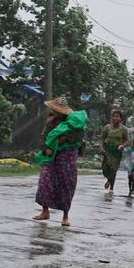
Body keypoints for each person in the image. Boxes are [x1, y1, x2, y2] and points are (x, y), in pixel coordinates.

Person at [33, 97, 88, 227]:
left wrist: (61, 140)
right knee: (45, 181)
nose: (53, 111)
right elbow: (44, 137)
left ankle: (65, 216)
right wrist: (46, 148)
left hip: (67, 157)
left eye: (55, 110)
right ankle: (45, 211)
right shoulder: (51, 121)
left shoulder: (74, 123)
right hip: (51, 155)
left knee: (66, 183)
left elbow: (76, 139)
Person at [101, 110, 129, 193]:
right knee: (105, 169)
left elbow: (127, 140)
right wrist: (101, 147)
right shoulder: (107, 127)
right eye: (114, 116)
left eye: (117, 116)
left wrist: (122, 145)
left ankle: (111, 188)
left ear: (121, 118)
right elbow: (102, 138)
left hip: (117, 151)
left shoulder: (124, 129)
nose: (115, 118)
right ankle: (109, 179)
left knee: (113, 169)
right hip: (107, 150)